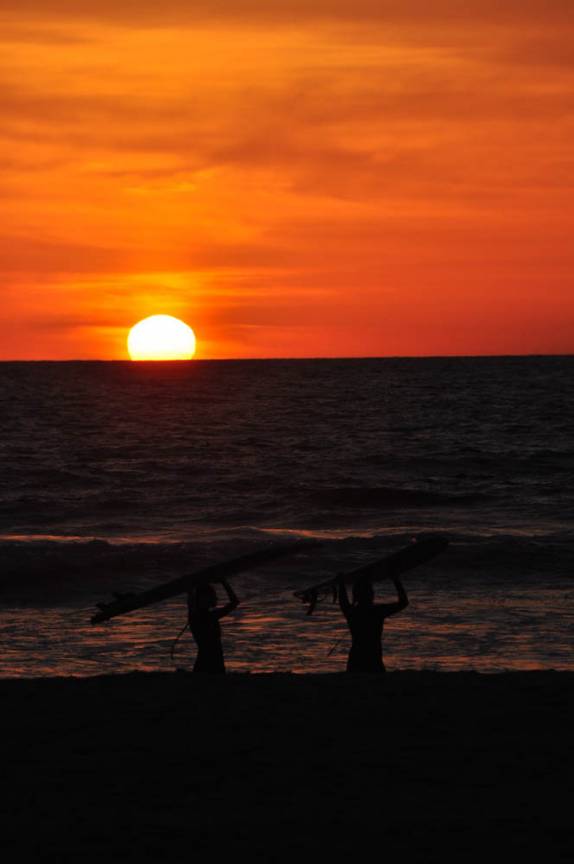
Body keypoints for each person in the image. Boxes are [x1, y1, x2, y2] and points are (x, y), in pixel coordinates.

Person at [338, 572, 408, 673]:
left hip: (355, 661)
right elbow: (403, 603)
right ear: (371, 594)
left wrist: (341, 583)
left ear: (356, 595)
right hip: (374, 660)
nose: (373, 593)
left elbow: (343, 600)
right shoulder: (377, 611)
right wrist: (395, 579)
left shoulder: (351, 612)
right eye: (371, 591)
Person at [187, 579, 239, 674]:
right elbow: (234, 602)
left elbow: (191, 601)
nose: (216, 598)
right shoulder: (206, 616)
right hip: (212, 663)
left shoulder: (198, 615)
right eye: (213, 596)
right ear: (204, 598)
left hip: (207, 663)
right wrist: (224, 582)